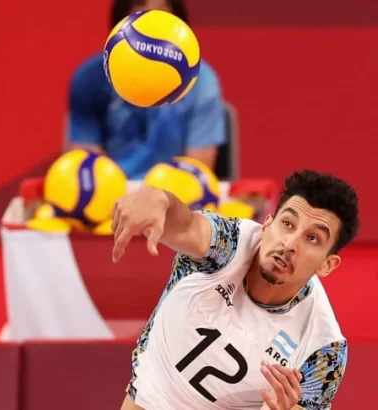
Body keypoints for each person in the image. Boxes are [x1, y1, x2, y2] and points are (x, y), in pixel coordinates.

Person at [111, 170, 358, 409]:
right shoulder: (227, 243)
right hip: (149, 397)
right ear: (266, 224)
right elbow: (186, 225)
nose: (290, 243)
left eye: (312, 238)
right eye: (287, 223)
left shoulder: (324, 348)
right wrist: (161, 200)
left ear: (327, 265)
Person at [66, 0, 227, 179]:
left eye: (162, 16)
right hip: (112, 191)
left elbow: (197, 170)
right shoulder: (88, 78)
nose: (152, 27)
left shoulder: (202, 80)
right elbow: (88, 169)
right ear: (121, 23)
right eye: (141, 14)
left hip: (174, 190)